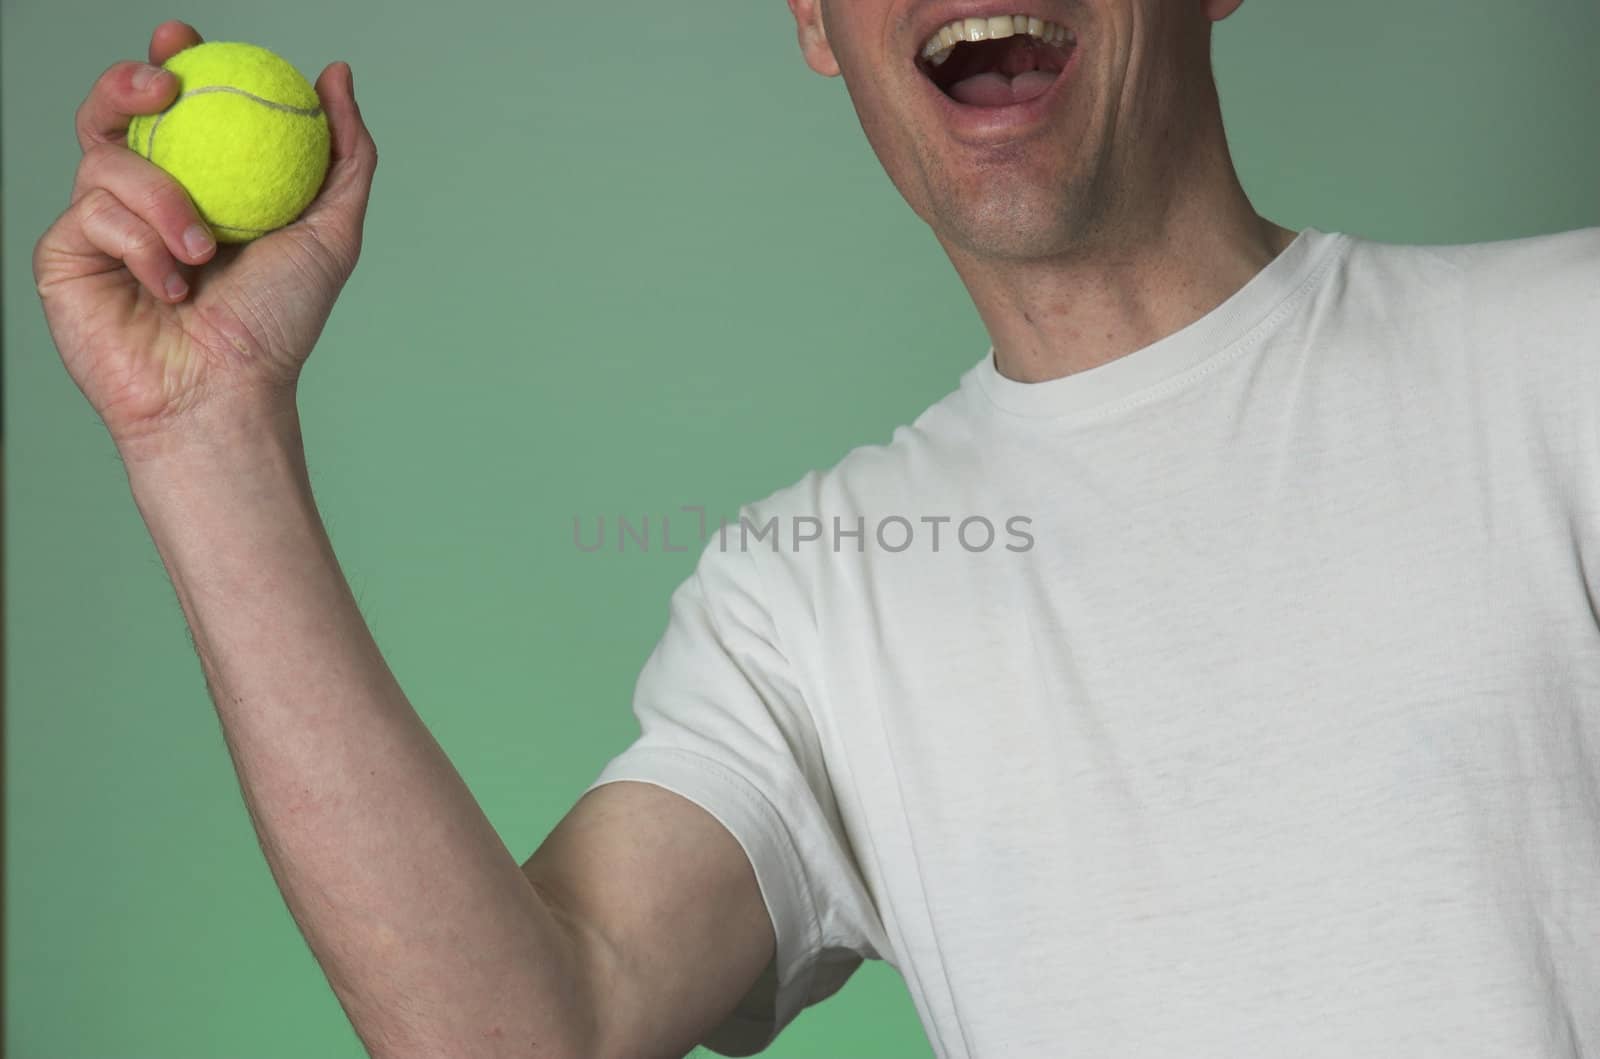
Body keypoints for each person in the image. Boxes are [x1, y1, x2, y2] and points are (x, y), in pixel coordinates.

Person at [30, 0, 1599, 1055]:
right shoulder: (814, 598)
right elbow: (530, 1028)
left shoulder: (1566, 355)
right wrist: (207, 435)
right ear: (813, 22)